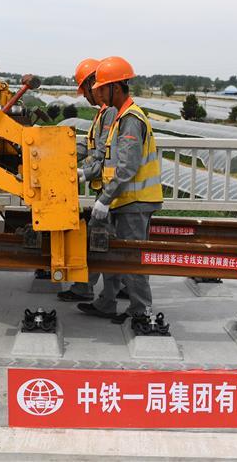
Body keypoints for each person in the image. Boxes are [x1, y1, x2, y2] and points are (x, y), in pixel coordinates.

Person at [77, 56, 163, 323]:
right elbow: (108, 156)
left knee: (132, 258)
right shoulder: (119, 117)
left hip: (134, 202)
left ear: (116, 86)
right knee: (113, 254)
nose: (97, 93)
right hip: (123, 200)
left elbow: (127, 167)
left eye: (102, 88)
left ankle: (140, 312)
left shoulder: (130, 119)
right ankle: (106, 303)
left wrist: (103, 199)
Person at [57, 58, 119, 302]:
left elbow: (103, 151)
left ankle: (87, 289)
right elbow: (89, 144)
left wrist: (85, 172)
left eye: (85, 90)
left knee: (99, 237)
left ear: (96, 83)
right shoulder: (103, 112)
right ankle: (115, 288)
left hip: (110, 189)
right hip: (107, 187)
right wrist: (63, 154)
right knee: (107, 238)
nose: (85, 97)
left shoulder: (111, 112)